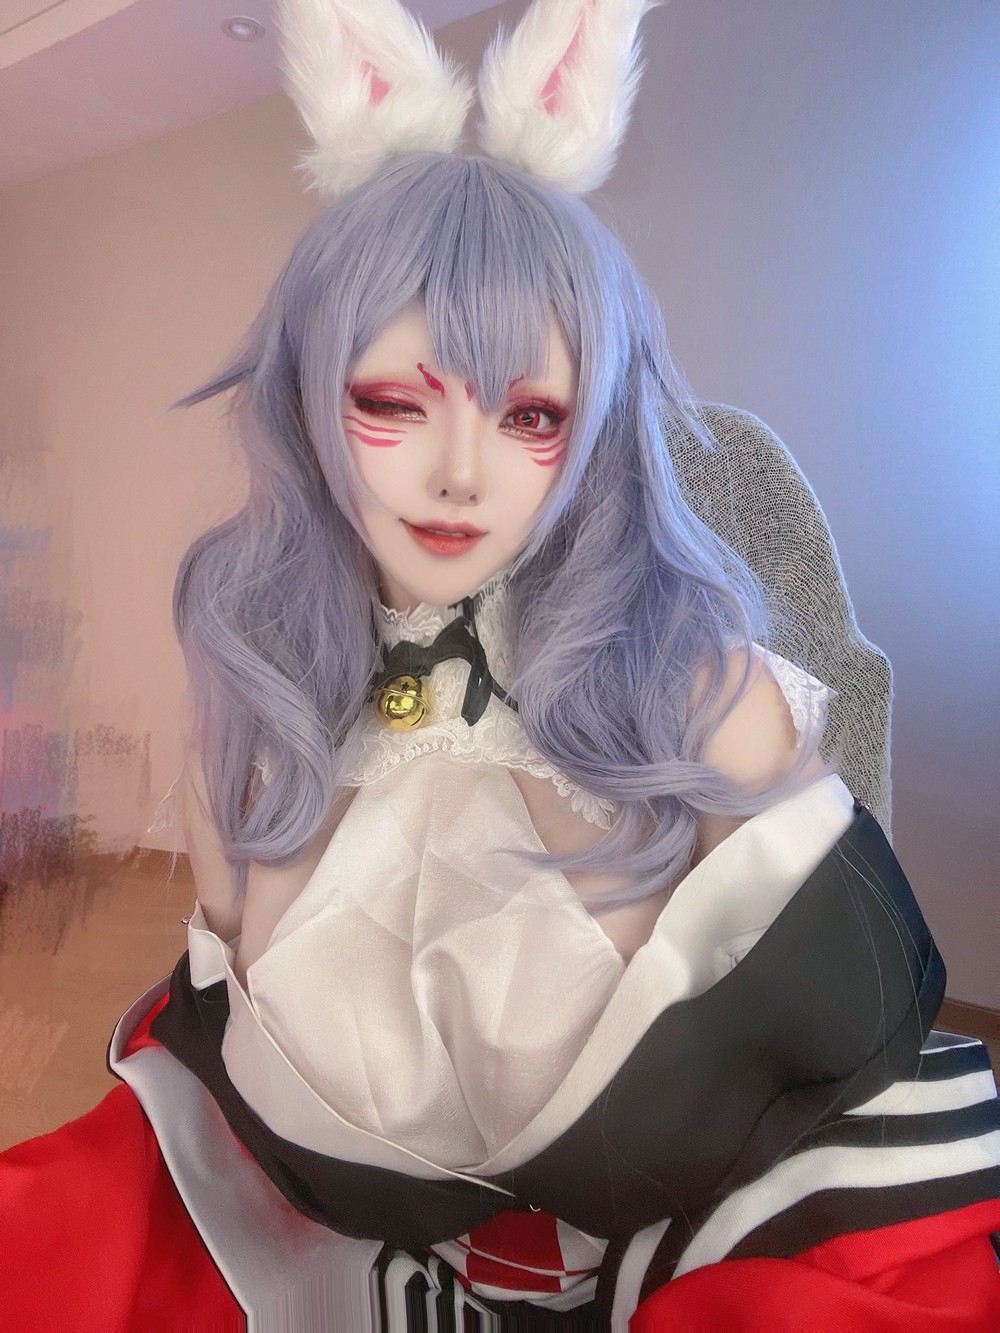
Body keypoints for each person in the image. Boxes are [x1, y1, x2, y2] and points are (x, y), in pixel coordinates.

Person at [2, 1, 998, 1328]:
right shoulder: (265, 688)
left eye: (530, 414)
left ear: (594, 420)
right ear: (309, 399)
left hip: (677, 1219)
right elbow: (236, 1009)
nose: (460, 472)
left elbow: (827, 993)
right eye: (393, 402)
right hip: (321, 1213)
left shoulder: (684, 667)